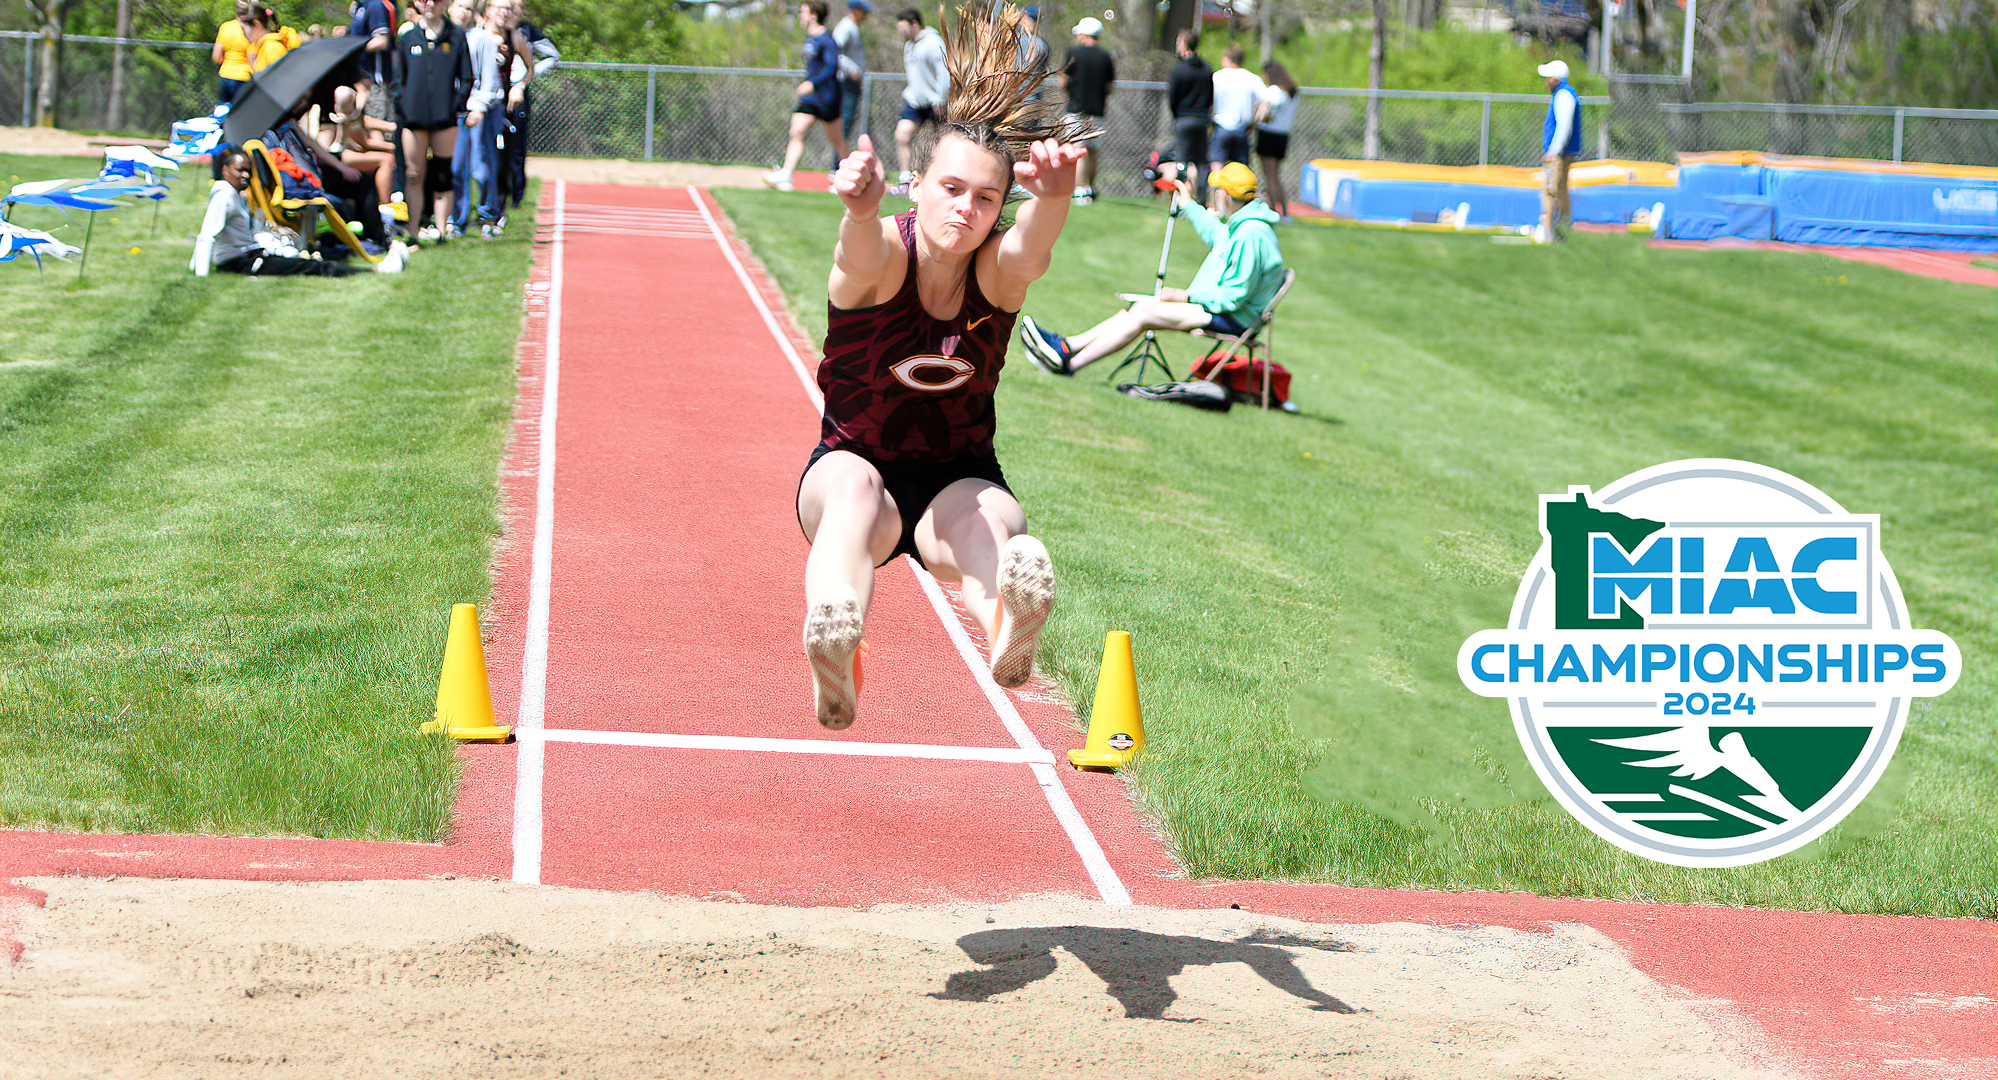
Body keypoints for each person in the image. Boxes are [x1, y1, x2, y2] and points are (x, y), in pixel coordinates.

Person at [798, 5, 1095, 729]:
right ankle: (838, 638)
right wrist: (859, 212)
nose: (967, 208)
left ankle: (1007, 621)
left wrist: (1052, 200)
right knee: (854, 498)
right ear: (916, 184)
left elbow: (1030, 253)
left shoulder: (993, 276)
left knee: (994, 519)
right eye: (952, 189)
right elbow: (856, 257)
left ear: (999, 210)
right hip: (851, 459)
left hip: (955, 473)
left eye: (986, 198)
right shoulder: (883, 256)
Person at [1019, 162, 1282, 376]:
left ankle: (1068, 365)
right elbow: (1216, 234)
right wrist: (1188, 203)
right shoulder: (1245, 225)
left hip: (1234, 318)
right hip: (1224, 310)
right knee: (1137, 308)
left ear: (1223, 195)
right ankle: (1065, 348)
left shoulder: (1251, 235)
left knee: (1142, 314)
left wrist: (1187, 296)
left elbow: (1235, 295)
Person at [191, 147, 407, 277]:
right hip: (243, 262)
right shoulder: (224, 195)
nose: (246, 175)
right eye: (240, 170)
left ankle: (378, 267)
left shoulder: (231, 193)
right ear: (225, 170)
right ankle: (377, 271)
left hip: (250, 255)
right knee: (307, 267)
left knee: (306, 263)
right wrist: (200, 275)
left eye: (248, 170)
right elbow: (207, 235)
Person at [393, 0, 473, 242]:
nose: (429, 4)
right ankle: (413, 230)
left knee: (442, 173)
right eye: (423, 0)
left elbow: (466, 77)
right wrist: (403, 104)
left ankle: (440, 229)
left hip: (443, 118)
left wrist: (455, 105)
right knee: (414, 174)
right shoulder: (408, 36)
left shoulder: (456, 35)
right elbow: (397, 78)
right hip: (413, 118)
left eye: (436, 0)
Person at [764, 1, 849, 192]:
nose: (800, 15)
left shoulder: (826, 40)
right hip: (811, 99)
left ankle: (847, 178)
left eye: (803, 12)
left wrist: (813, 83)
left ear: (813, 15)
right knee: (796, 131)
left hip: (827, 97)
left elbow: (831, 66)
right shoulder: (809, 38)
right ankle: (786, 175)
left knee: (837, 141)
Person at [466, 0, 535, 235]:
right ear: (486, 11)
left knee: (495, 161)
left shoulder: (514, 38)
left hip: (497, 108)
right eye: (499, 7)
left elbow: (529, 66)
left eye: (508, 8)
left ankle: (493, 211)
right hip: (470, 105)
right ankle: (462, 214)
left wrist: (519, 86)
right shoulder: (474, 35)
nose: (504, 13)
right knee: (470, 162)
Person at [499, 3, 559, 225]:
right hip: (498, 92)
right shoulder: (496, 31)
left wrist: (527, 76)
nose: (510, 12)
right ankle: (498, 196)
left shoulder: (527, 31)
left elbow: (554, 55)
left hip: (519, 93)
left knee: (516, 149)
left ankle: (517, 196)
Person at [1060, 16, 1113, 204]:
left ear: (1084, 34)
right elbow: (1110, 85)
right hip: (1097, 110)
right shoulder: (1105, 56)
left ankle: (1081, 189)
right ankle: (1092, 188)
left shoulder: (1074, 53)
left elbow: (1064, 80)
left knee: (1079, 149)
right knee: (1093, 151)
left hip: (1076, 108)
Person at [893, 8, 948, 186]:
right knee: (902, 135)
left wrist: (941, 98)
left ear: (914, 24)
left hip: (936, 103)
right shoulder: (909, 45)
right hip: (916, 103)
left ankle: (939, 179)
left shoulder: (933, 43)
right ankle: (904, 178)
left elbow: (944, 73)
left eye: (903, 27)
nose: (901, 32)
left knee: (940, 144)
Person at [320, 84, 398, 207]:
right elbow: (365, 143)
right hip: (339, 155)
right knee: (387, 159)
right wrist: (393, 147)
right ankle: (384, 203)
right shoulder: (351, 121)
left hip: (336, 154)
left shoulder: (333, 116)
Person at [1208, 44, 1264, 212]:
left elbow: (1208, 100)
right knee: (1242, 171)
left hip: (1220, 127)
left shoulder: (1217, 77)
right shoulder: (1251, 78)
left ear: (1227, 58)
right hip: (1241, 129)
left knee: (1217, 168)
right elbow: (1268, 99)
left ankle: (1215, 206)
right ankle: (1242, 207)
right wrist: (1256, 121)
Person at [1538, 58, 1581, 244]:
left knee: (1551, 191)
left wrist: (1553, 151)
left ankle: (1551, 232)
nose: (1546, 81)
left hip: (1559, 154)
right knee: (1560, 191)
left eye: (1548, 77)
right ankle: (1562, 232)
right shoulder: (1564, 93)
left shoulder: (1563, 94)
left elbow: (1563, 125)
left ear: (1555, 78)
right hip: (1562, 153)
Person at [1166, 29, 1212, 199]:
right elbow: (1210, 96)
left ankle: (1181, 199)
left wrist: (1176, 115)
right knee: (1201, 163)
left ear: (1184, 45)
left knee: (1182, 161)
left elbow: (1173, 97)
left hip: (1184, 119)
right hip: (1201, 120)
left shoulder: (1178, 70)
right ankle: (1202, 199)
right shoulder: (1206, 69)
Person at [1254, 59, 1297, 221]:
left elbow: (1263, 113)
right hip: (1283, 136)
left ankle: (1274, 211)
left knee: (1270, 176)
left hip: (1269, 135)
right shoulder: (1292, 91)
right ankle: (1284, 211)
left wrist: (1257, 120)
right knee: (1276, 176)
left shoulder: (1274, 91)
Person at [832, 0, 871, 159]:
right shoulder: (846, 27)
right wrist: (851, 69)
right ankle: (837, 164)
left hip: (852, 83)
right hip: (846, 82)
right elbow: (834, 52)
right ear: (855, 10)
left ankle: (839, 161)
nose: (866, 15)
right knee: (844, 123)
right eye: (863, 10)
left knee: (847, 123)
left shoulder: (853, 27)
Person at [212, 1, 257, 106]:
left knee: (222, 111)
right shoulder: (253, 29)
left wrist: (225, 62)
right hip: (245, 77)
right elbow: (254, 58)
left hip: (225, 75)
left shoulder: (226, 27)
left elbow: (216, 56)